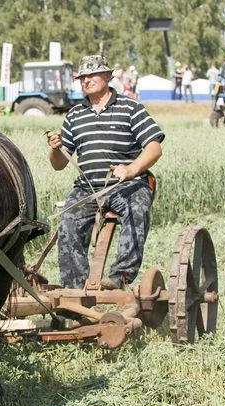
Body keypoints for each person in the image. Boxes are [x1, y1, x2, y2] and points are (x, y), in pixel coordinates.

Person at [46, 54, 165, 290]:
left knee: (136, 207)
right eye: (82, 77)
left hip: (127, 185)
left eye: (92, 75)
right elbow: (58, 164)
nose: (86, 80)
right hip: (87, 188)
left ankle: (120, 275)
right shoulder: (74, 115)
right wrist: (55, 149)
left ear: (108, 76)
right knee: (68, 221)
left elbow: (154, 147)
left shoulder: (130, 107)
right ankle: (74, 290)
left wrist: (131, 169)